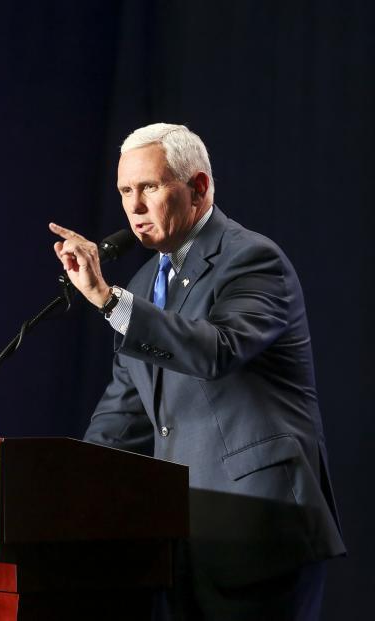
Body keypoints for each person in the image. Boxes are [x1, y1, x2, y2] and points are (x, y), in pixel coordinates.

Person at [48, 123, 345, 620]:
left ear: (198, 188)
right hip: (183, 546)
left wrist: (106, 299)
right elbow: (125, 416)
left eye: (149, 187)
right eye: (125, 190)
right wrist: (49, 490)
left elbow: (217, 350)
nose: (134, 206)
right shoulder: (144, 285)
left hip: (260, 535)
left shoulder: (251, 259)